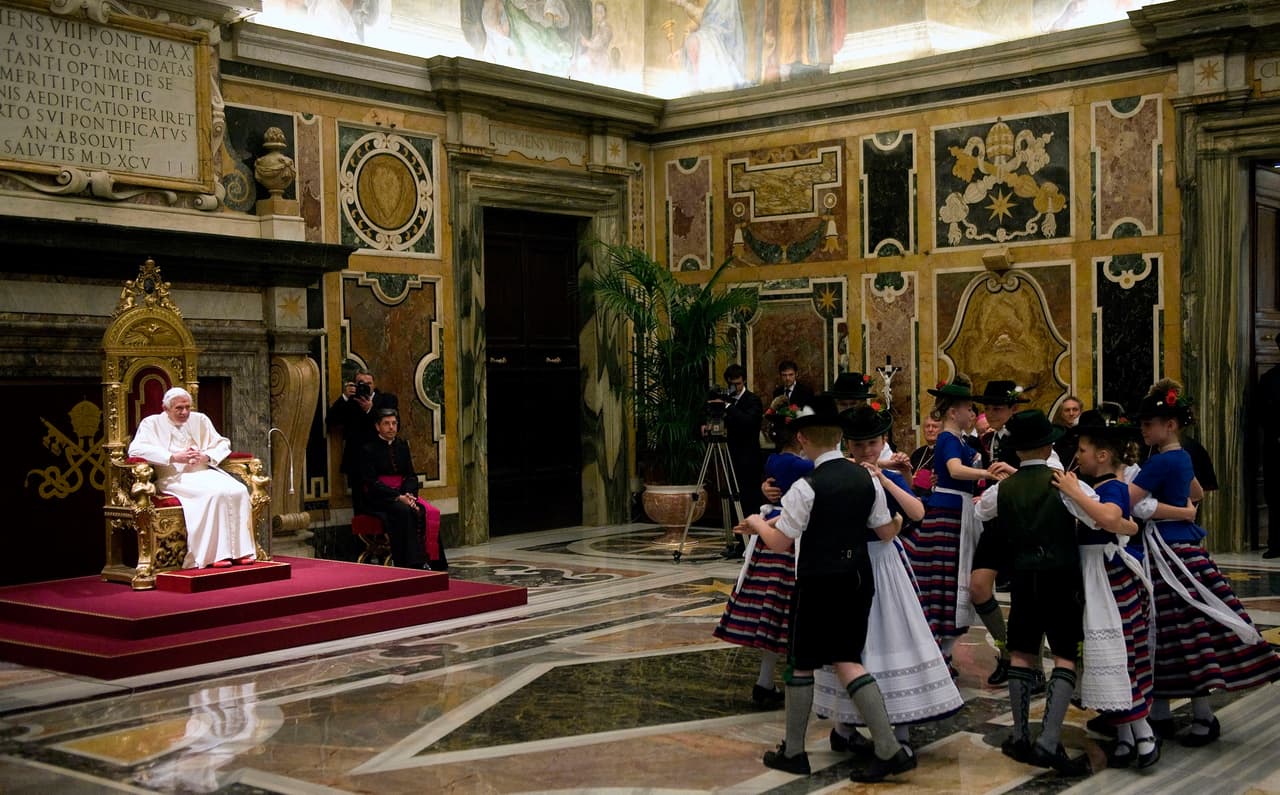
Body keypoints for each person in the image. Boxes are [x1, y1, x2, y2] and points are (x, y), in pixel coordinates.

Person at [736, 395, 915, 783]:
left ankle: (795, 752)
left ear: (802, 439)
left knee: (801, 663)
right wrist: (900, 518)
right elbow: (885, 531)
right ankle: (889, 748)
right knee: (849, 659)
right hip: (858, 578)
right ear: (839, 439)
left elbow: (781, 541)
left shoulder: (806, 486)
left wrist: (756, 521)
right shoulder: (866, 478)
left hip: (818, 581)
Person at [1128, 379, 1280, 746]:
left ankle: (1184, 714)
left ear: (1171, 425)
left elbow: (1129, 502)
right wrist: (1183, 509)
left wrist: (1170, 511)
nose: (1144, 429)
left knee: (1168, 631)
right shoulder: (1181, 457)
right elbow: (1196, 494)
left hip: (1169, 557)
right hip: (1189, 553)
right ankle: (1181, 713)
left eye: (1150, 423)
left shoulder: (1160, 463)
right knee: (1185, 632)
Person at [814, 405, 964, 755]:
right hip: (851, 565)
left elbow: (917, 512)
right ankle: (845, 725)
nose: (868, 451)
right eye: (860, 445)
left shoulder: (888, 476)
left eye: (873, 443)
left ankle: (901, 730)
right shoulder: (837, 475)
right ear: (848, 445)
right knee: (856, 644)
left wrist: (885, 479)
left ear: (883, 441)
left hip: (886, 567)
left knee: (894, 636)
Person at [973, 409, 1091, 776]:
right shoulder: (1063, 481)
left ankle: (1021, 736)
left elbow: (982, 514)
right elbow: (1091, 513)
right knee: (1065, 656)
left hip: (1023, 578)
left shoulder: (1002, 489)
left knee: (1022, 654)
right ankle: (1048, 741)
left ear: (1017, 451)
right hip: (1061, 576)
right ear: (1050, 444)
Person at [1053, 409, 1158, 769]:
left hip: (1109, 577)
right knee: (1104, 656)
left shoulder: (1113, 486)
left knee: (1119, 651)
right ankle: (1127, 738)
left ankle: (1143, 735)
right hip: (1091, 573)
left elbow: (1111, 518)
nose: (1077, 455)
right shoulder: (1095, 487)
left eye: (1082, 449)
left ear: (1101, 455)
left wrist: (1072, 492)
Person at [902, 376, 1013, 671]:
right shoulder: (948, 438)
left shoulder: (959, 440)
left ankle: (945, 650)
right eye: (969, 410)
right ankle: (941, 651)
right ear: (953, 412)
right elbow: (953, 468)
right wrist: (988, 475)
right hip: (949, 512)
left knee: (953, 580)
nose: (973, 415)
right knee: (945, 580)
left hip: (957, 510)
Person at [714, 401, 810, 708]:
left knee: (772, 616)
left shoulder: (773, 462)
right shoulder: (801, 466)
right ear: (800, 437)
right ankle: (798, 682)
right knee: (792, 617)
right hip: (789, 539)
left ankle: (765, 681)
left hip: (770, 542)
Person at [128, 387, 257, 569]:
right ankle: (214, 554)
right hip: (174, 477)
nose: (185, 412)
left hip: (203, 472)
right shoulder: (151, 423)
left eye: (188, 407)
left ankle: (240, 551)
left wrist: (206, 456)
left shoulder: (200, 419)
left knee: (239, 490)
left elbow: (222, 443)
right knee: (214, 494)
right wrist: (173, 456)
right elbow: (135, 450)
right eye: (179, 408)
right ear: (166, 409)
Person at [969, 380, 1031, 686]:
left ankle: (1027, 666)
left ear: (1013, 408)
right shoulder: (992, 439)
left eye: (998, 407)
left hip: (1019, 522)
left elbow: (1038, 476)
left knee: (1024, 599)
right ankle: (1006, 650)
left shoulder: (1025, 437)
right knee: (978, 586)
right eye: (987, 407)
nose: (991, 412)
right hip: (995, 520)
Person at [358, 408, 447, 571]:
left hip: (404, 495)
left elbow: (411, 476)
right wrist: (398, 497)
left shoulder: (402, 446)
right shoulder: (368, 449)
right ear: (378, 427)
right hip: (379, 498)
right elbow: (371, 482)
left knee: (426, 511)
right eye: (386, 424)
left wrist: (409, 495)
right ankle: (412, 564)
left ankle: (434, 563)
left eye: (394, 423)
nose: (391, 427)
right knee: (404, 511)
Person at [328, 370, 398, 514]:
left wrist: (370, 409)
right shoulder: (350, 402)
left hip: (382, 461)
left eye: (369, 383)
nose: (365, 386)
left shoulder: (387, 400)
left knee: (384, 503)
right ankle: (361, 536)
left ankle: (384, 535)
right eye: (361, 384)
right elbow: (330, 421)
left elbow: (396, 426)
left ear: (375, 384)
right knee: (360, 507)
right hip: (357, 463)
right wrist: (344, 397)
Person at [718, 363, 764, 555]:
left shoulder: (752, 400)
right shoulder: (726, 400)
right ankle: (738, 539)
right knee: (732, 497)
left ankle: (751, 540)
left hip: (749, 457)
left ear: (743, 380)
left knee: (748, 498)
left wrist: (729, 407)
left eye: (737, 384)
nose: (734, 387)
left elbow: (748, 422)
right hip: (731, 454)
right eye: (731, 384)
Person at [1261, 344, 1280, 557]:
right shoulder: (1269, 379)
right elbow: (1262, 414)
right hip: (1275, 447)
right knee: (1275, 497)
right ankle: (1275, 543)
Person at [908, 412, 942, 498]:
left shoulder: (945, 452)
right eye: (927, 426)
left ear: (942, 430)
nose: (930, 430)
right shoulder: (917, 453)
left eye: (934, 427)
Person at [1053, 394, 1083, 466]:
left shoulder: (1085, 434)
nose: (1071, 413)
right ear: (1061, 414)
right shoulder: (1055, 434)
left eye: (1075, 410)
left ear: (1080, 412)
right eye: (1067, 410)